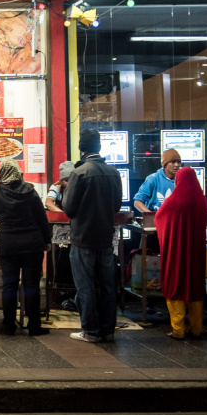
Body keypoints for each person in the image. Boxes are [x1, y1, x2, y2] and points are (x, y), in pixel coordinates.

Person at [62, 129, 122, 343]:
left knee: (85, 285)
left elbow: (69, 209)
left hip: (83, 238)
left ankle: (90, 331)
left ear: (82, 148)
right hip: (106, 237)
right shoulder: (113, 173)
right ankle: (108, 330)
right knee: (107, 286)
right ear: (99, 147)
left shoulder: (79, 173)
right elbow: (116, 205)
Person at [0, 160, 52, 336]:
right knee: (31, 285)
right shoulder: (30, 190)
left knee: (9, 285)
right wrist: (47, 239)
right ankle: (34, 326)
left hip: (9, 245)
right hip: (32, 244)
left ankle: (8, 326)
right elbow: (41, 217)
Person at [155, 167, 207, 339]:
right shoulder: (202, 199)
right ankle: (197, 328)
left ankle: (178, 330)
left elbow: (159, 218)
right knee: (195, 285)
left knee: (175, 283)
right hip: (196, 251)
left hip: (176, 251)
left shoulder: (174, 200)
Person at [134, 149, 182, 213]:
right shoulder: (153, 179)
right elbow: (137, 202)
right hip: (155, 221)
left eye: (178, 162)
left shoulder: (182, 180)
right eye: (173, 162)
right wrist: (151, 216)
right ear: (165, 165)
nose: (176, 165)